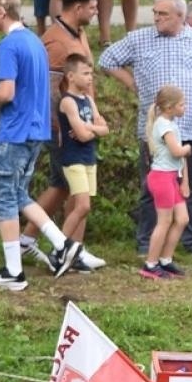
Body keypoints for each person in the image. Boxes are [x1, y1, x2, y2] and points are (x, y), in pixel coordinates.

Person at [99, 0, 192, 260]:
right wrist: (133, 84)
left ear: (180, 15)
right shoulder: (140, 39)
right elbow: (107, 59)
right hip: (155, 132)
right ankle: (147, 240)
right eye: (154, 13)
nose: (156, 18)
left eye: (162, 14)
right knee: (152, 187)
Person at [0, 0, 83, 290]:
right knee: (19, 192)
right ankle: (63, 244)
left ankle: (13, 271)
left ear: (0, 11)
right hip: (37, 129)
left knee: (3, 196)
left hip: (16, 130)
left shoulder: (9, 45)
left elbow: (7, 92)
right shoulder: (35, 41)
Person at [22, 0, 103, 271]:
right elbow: (52, 89)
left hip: (79, 123)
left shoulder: (78, 34)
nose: (96, 12)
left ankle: (30, 238)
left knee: (62, 186)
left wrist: (93, 114)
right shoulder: (56, 42)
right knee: (72, 188)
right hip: (62, 128)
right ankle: (70, 250)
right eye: (92, 7)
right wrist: (67, 124)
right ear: (77, 7)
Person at [55, 55, 110, 257]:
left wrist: (90, 128)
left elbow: (105, 129)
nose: (90, 78)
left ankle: (76, 250)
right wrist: (93, 129)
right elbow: (82, 135)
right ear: (71, 76)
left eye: (91, 74)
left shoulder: (88, 100)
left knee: (81, 208)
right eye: (85, 74)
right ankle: (59, 248)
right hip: (73, 159)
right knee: (83, 205)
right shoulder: (68, 102)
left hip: (89, 158)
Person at [141, 85, 190, 279]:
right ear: (170, 108)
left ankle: (165, 260)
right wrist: (187, 148)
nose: (184, 107)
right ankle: (150, 264)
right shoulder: (163, 125)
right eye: (182, 104)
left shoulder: (172, 124)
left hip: (172, 177)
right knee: (165, 221)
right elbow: (177, 152)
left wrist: (185, 181)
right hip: (161, 178)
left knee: (182, 219)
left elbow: (179, 159)